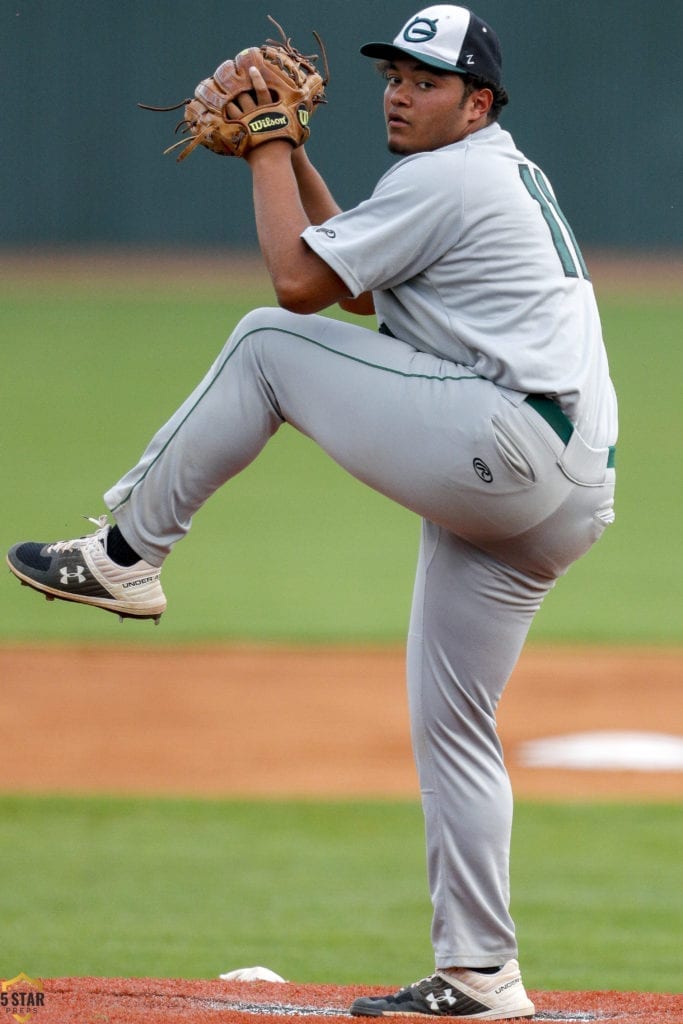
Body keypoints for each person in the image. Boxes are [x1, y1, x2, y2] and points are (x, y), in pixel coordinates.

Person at [7, 5, 617, 1018]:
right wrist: (279, 154)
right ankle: (479, 972)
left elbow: (294, 286)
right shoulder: (483, 173)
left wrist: (270, 147)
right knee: (453, 723)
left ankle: (126, 553)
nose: (396, 91)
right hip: (558, 484)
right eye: (392, 74)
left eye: (424, 82)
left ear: (477, 104)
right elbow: (347, 279)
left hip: (505, 446)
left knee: (261, 346)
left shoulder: (447, 175)